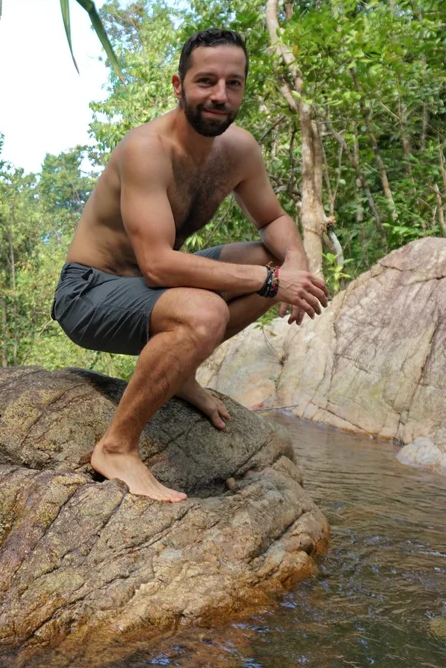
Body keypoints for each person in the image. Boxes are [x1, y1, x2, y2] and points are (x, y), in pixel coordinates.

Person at [51, 28, 329, 503]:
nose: (220, 95)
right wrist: (271, 281)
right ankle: (116, 448)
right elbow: (158, 266)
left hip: (146, 287)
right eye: (206, 81)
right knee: (208, 310)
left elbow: (275, 218)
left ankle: (177, 374)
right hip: (90, 293)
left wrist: (295, 264)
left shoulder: (238, 149)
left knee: (271, 254)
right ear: (179, 86)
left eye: (233, 83)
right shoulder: (146, 150)